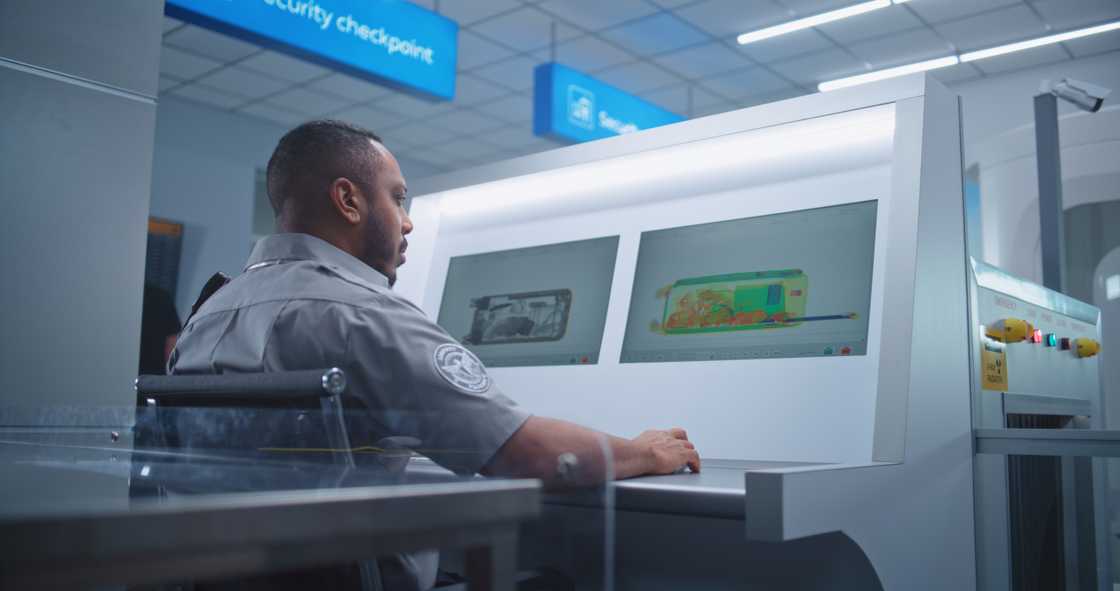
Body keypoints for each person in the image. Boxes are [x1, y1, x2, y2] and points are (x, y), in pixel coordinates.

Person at [169, 120, 700, 590]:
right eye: (397, 198)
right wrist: (645, 452)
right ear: (348, 200)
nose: (407, 222)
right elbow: (527, 454)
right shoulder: (362, 315)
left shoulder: (207, 313)